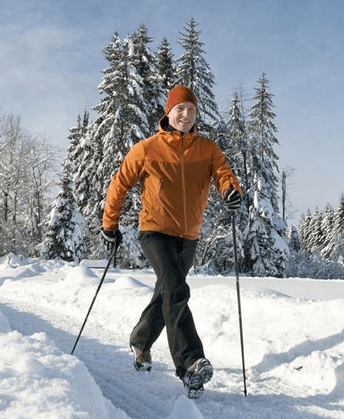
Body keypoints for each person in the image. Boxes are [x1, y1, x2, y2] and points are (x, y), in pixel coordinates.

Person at [101, 85, 242, 399]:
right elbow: (120, 183)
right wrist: (109, 224)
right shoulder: (147, 148)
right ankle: (190, 363)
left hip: (188, 235)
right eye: (180, 109)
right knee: (176, 290)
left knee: (166, 291)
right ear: (168, 112)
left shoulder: (206, 148)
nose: (186, 115)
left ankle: (140, 340)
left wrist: (231, 190)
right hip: (155, 231)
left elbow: (223, 172)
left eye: (191, 110)